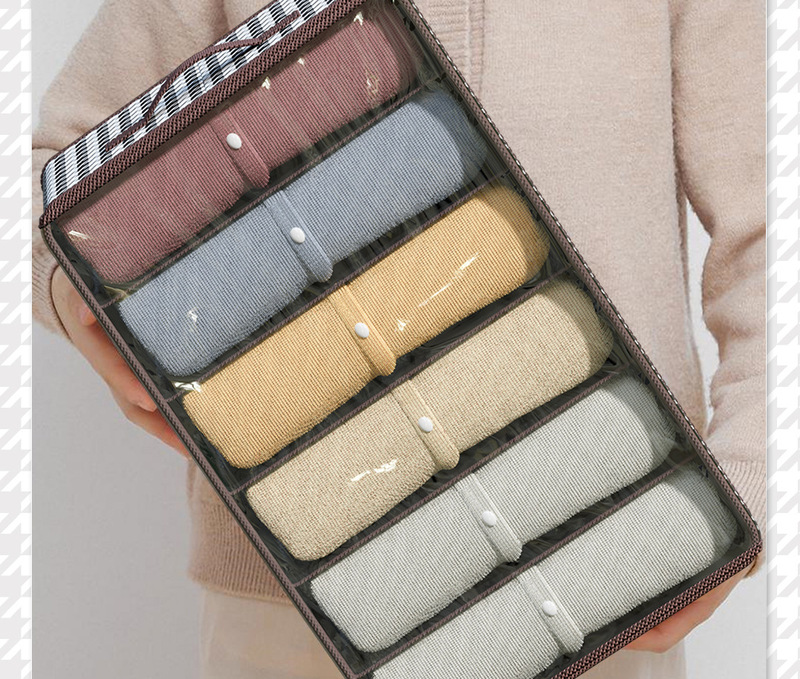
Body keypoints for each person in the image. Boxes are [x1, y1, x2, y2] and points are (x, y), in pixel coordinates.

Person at [34, 0, 765, 677]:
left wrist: (748, 475)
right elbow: (47, 169)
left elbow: (768, 226)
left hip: (618, 543)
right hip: (292, 600)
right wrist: (74, 297)